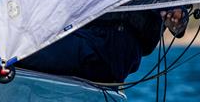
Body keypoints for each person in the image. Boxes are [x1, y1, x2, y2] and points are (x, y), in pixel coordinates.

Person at [15, 8, 189, 83]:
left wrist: (179, 17)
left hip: (110, 49)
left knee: (14, 53)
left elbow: (179, 21)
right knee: (11, 46)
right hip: (85, 37)